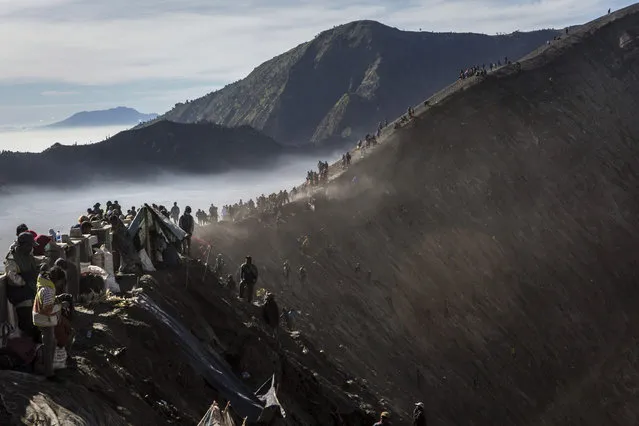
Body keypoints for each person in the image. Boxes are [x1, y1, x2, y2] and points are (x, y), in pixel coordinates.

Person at [4, 232, 40, 342]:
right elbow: (12, 277)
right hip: (20, 295)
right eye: (29, 246)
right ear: (23, 245)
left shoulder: (28, 255)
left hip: (31, 292)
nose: (31, 248)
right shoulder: (12, 258)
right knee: (27, 323)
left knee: (37, 322)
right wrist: (26, 281)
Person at [32, 266, 67, 381]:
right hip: (44, 320)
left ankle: (46, 368)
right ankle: (48, 373)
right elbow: (47, 309)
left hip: (42, 319)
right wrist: (60, 306)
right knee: (49, 345)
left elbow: (47, 303)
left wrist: (57, 300)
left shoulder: (45, 286)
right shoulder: (48, 290)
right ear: (58, 280)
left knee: (51, 343)